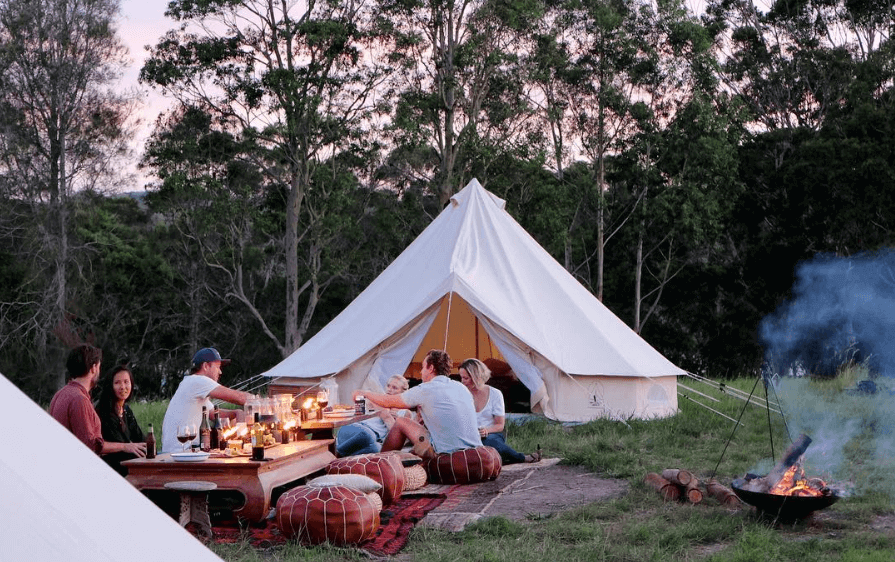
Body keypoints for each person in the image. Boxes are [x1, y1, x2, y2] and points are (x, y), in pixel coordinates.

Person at [355, 349, 481, 459]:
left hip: (448, 455)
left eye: (423, 367)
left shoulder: (426, 389)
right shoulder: (461, 388)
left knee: (401, 422)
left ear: (431, 368)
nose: (420, 372)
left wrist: (365, 393)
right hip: (475, 451)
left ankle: (382, 463)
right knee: (416, 437)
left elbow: (388, 401)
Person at [49, 344, 147, 462]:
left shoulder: (59, 394)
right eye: (99, 367)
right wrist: (125, 446)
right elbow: (91, 445)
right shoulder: (79, 400)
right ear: (94, 368)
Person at [161, 347, 256, 453]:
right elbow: (240, 398)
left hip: (182, 450)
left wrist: (236, 412)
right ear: (206, 366)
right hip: (182, 451)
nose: (220, 372)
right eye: (218, 367)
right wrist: (261, 402)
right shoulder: (198, 381)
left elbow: (213, 414)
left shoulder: (193, 385)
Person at [459, 358, 540, 464]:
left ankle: (521, 458)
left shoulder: (495, 394)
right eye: (461, 377)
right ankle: (502, 458)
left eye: (466, 378)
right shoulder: (460, 393)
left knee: (490, 442)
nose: (462, 381)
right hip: (468, 435)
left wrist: (486, 430)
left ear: (477, 377)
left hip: (490, 435)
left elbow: (500, 425)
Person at [336, 375, 415, 457]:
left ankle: (337, 454)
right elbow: (356, 399)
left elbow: (400, 439)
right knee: (365, 434)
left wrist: (391, 419)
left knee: (376, 449)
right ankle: (337, 454)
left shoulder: (405, 413)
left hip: (372, 438)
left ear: (403, 392)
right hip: (356, 428)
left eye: (394, 388)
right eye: (388, 386)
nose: (389, 389)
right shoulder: (375, 401)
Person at [94, 366, 146, 475]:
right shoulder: (103, 411)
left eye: (126, 382)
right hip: (112, 466)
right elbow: (121, 445)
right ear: (110, 386)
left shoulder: (126, 410)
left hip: (126, 461)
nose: (123, 387)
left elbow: (140, 439)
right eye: (117, 383)